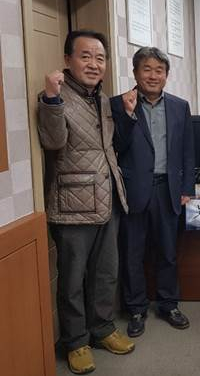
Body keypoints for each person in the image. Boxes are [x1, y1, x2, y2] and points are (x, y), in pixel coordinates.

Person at [38, 30, 135, 374]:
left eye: (100, 58)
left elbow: (111, 147)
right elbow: (53, 142)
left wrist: (126, 114)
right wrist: (51, 99)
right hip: (72, 204)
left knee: (105, 273)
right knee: (72, 279)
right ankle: (76, 341)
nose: (94, 64)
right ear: (68, 60)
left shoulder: (103, 99)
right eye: (85, 56)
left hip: (108, 199)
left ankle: (102, 329)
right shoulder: (55, 96)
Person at [111, 47, 195, 338]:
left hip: (167, 190)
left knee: (167, 252)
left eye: (159, 70)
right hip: (133, 190)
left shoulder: (179, 106)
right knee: (132, 254)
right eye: (146, 69)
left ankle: (168, 304)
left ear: (166, 75)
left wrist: (187, 187)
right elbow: (116, 146)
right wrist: (128, 115)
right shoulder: (120, 104)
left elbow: (187, 150)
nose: (153, 75)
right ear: (135, 73)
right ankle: (136, 309)